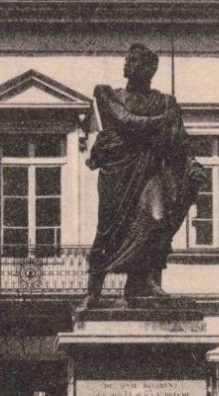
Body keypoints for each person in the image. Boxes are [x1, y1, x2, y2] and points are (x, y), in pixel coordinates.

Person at [81, 42, 208, 309]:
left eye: (135, 60)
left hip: (150, 171)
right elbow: (126, 121)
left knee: (157, 219)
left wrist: (192, 164)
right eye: (127, 59)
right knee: (107, 231)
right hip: (118, 173)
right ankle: (93, 292)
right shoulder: (108, 95)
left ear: (150, 68)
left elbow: (181, 142)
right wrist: (164, 119)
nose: (127, 64)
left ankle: (143, 283)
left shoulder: (165, 102)